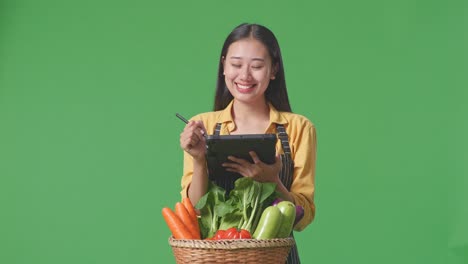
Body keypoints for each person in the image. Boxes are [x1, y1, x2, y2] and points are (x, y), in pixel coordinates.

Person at [179, 23, 317, 264]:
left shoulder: (299, 128)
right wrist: (199, 160)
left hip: (277, 258)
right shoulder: (203, 125)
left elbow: (303, 217)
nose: (244, 75)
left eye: (256, 66)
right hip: (216, 257)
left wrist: (272, 181)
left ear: (273, 69)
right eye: (236, 64)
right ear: (223, 66)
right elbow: (195, 210)